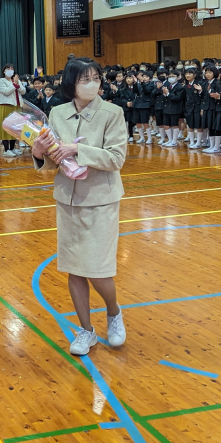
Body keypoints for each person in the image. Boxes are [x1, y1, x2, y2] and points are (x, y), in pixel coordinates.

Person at [31, 58, 128, 355]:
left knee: (99, 269)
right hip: (68, 199)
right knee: (74, 269)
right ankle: (86, 331)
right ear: (71, 83)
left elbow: (116, 158)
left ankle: (114, 313)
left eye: (96, 78)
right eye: (85, 79)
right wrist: (38, 153)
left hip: (101, 199)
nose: (93, 83)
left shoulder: (113, 113)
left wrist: (78, 149)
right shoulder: (57, 113)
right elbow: (51, 160)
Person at [0, 64, 24, 156]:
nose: (10, 70)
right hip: (6, 105)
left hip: (16, 105)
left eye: (12, 68)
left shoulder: (16, 80)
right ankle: (6, 149)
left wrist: (18, 85)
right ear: (4, 71)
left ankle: (12, 148)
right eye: (8, 69)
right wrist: (15, 85)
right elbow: (6, 92)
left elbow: (23, 91)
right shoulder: (1, 81)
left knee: (14, 127)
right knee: (5, 127)